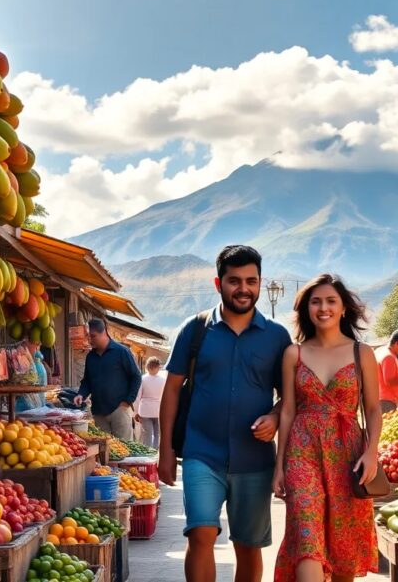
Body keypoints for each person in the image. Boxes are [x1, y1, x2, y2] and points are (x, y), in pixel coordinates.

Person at [157, 245, 292, 582]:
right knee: (200, 534)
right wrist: (165, 452)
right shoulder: (196, 329)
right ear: (218, 283)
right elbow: (172, 389)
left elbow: (290, 398)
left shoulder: (277, 337)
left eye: (251, 280)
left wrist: (274, 418)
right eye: (234, 281)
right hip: (202, 453)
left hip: (255, 458)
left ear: (260, 283)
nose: (243, 288)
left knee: (248, 545)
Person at [273, 274, 380, 582]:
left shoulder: (363, 354)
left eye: (331, 301)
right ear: (306, 308)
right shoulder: (294, 353)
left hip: (349, 456)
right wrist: (279, 466)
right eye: (315, 301)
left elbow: (372, 409)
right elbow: (288, 411)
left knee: (343, 547)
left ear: (343, 308)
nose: (323, 308)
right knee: (307, 536)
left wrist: (372, 452)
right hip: (302, 452)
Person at [74, 319, 142, 440]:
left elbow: (136, 376)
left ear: (104, 332)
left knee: (125, 450)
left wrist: (128, 401)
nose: (90, 340)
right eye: (88, 337)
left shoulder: (121, 351)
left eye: (93, 336)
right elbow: (87, 380)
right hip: (99, 413)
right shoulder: (90, 356)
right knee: (103, 452)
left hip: (119, 410)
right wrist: (81, 394)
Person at [136, 357, 166, 448]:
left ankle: (147, 454)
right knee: (157, 434)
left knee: (147, 434)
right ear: (158, 367)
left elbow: (138, 397)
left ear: (148, 367)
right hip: (159, 410)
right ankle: (156, 454)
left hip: (145, 410)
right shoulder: (163, 380)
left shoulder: (142, 379)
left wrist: (135, 412)